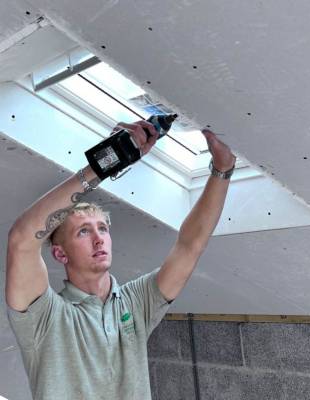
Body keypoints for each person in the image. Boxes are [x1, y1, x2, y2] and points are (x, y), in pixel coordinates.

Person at [5, 119, 236, 400]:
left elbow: (190, 245)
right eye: (83, 231)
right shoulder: (45, 317)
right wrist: (105, 163)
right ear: (59, 253)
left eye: (102, 228)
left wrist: (222, 169)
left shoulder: (136, 303)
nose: (99, 238)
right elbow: (21, 240)